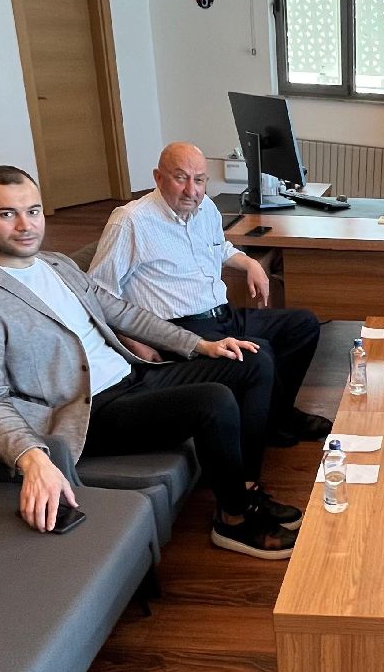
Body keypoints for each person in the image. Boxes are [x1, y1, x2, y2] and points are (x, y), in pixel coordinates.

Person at [0, 166, 302, 560]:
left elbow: (122, 313)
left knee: (251, 359)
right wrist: (30, 457)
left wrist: (201, 345)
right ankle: (232, 520)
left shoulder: (56, 265)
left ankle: (244, 490)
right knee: (214, 402)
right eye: (7, 214)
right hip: (89, 410)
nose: (25, 226)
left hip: (132, 376)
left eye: (33, 211)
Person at [88, 142, 330, 447]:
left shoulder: (207, 209)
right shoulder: (130, 221)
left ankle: (277, 416)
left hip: (223, 314)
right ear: (158, 177)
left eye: (199, 180)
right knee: (259, 353)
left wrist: (250, 262)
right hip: (179, 329)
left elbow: (220, 248)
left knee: (302, 325)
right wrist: (134, 342)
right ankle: (262, 436)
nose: (192, 190)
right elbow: (95, 293)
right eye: (181, 178)